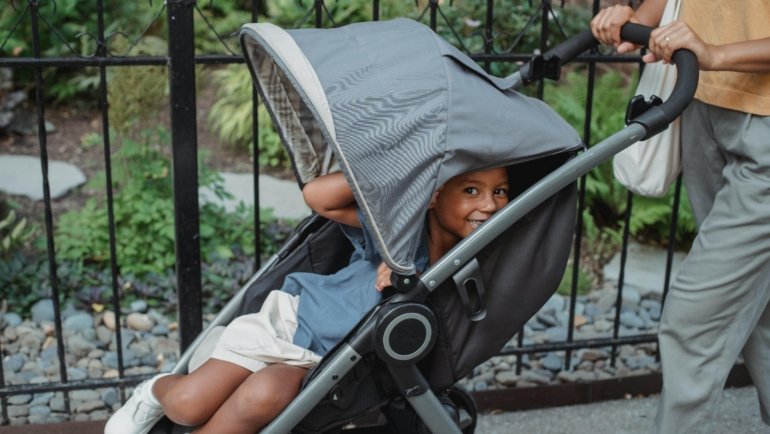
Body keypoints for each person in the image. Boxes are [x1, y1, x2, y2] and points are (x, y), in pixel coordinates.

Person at [104, 167, 511, 434]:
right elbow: (320, 196)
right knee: (189, 406)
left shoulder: (474, 269)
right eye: (471, 190)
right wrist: (411, 173)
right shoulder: (399, 234)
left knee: (263, 397)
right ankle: (154, 392)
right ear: (436, 195)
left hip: (328, 364)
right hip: (290, 325)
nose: (489, 204)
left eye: (501, 192)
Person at [591, 1, 770, 432]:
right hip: (702, 101)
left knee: (694, 321)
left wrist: (717, 53)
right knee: (760, 317)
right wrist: (637, 16)